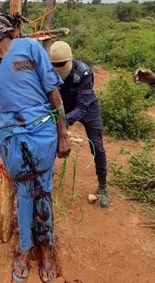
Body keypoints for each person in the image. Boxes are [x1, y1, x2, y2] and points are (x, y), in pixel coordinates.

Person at [0, 7, 70, 283]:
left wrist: (63, 134)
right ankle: (25, 247)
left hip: (43, 134)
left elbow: (53, 91)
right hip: (11, 139)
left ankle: (46, 248)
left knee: (44, 190)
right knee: (25, 192)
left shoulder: (30, 48)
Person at [49, 41, 110, 208]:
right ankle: (47, 175)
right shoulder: (47, 71)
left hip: (88, 108)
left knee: (97, 146)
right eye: (55, 64)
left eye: (61, 64)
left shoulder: (83, 73)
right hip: (63, 108)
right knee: (50, 138)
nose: (58, 67)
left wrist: (63, 122)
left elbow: (82, 107)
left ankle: (103, 187)